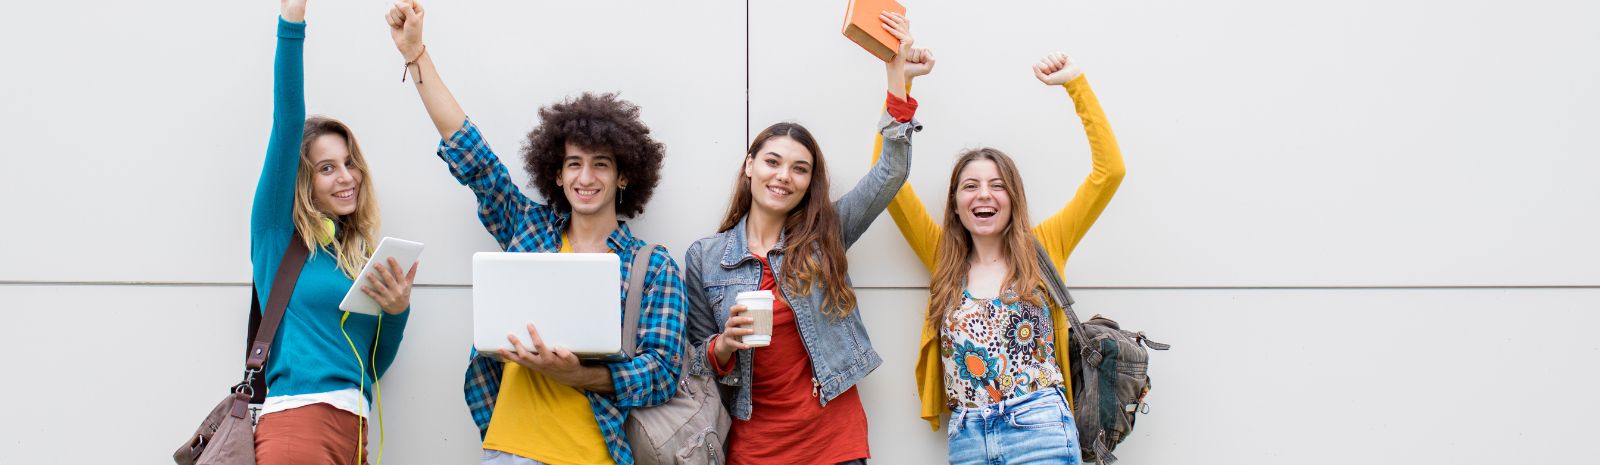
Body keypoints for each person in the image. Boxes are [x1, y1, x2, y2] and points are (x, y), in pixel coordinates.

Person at [384, 2, 686, 464]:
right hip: (507, 452)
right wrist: (416, 54)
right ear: (558, 175)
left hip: (593, 455)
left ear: (623, 177)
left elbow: (662, 372)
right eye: (573, 164)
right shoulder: (529, 229)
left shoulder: (652, 265)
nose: (586, 177)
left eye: (600, 164)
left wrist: (579, 374)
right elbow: (472, 154)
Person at [680, 11, 931, 465]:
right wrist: (724, 345)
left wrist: (897, 82)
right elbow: (695, 362)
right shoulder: (705, 257)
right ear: (749, 165)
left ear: (809, 182)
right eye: (773, 161)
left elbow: (890, 174)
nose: (783, 176)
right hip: (753, 447)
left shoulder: (825, 235)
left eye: (800, 168)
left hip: (833, 442)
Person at [878, 50, 1126, 464]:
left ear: (1013, 199)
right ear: (955, 204)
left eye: (997, 185)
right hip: (969, 435)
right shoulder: (944, 258)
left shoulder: (1045, 246)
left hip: (1039, 428)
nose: (984, 195)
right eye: (970, 186)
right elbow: (888, 181)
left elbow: (1110, 173)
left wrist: (1075, 85)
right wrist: (901, 86)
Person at [253, 1, 417, 464]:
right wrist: (292, 22)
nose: (346, 176)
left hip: (353, 430)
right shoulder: (275, 235)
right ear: (303, 180)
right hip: (298, 425)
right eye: (327, 168)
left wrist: (398, 310)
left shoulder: (355, 257)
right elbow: (287, 122)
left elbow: (370, 368)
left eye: (349, 164)